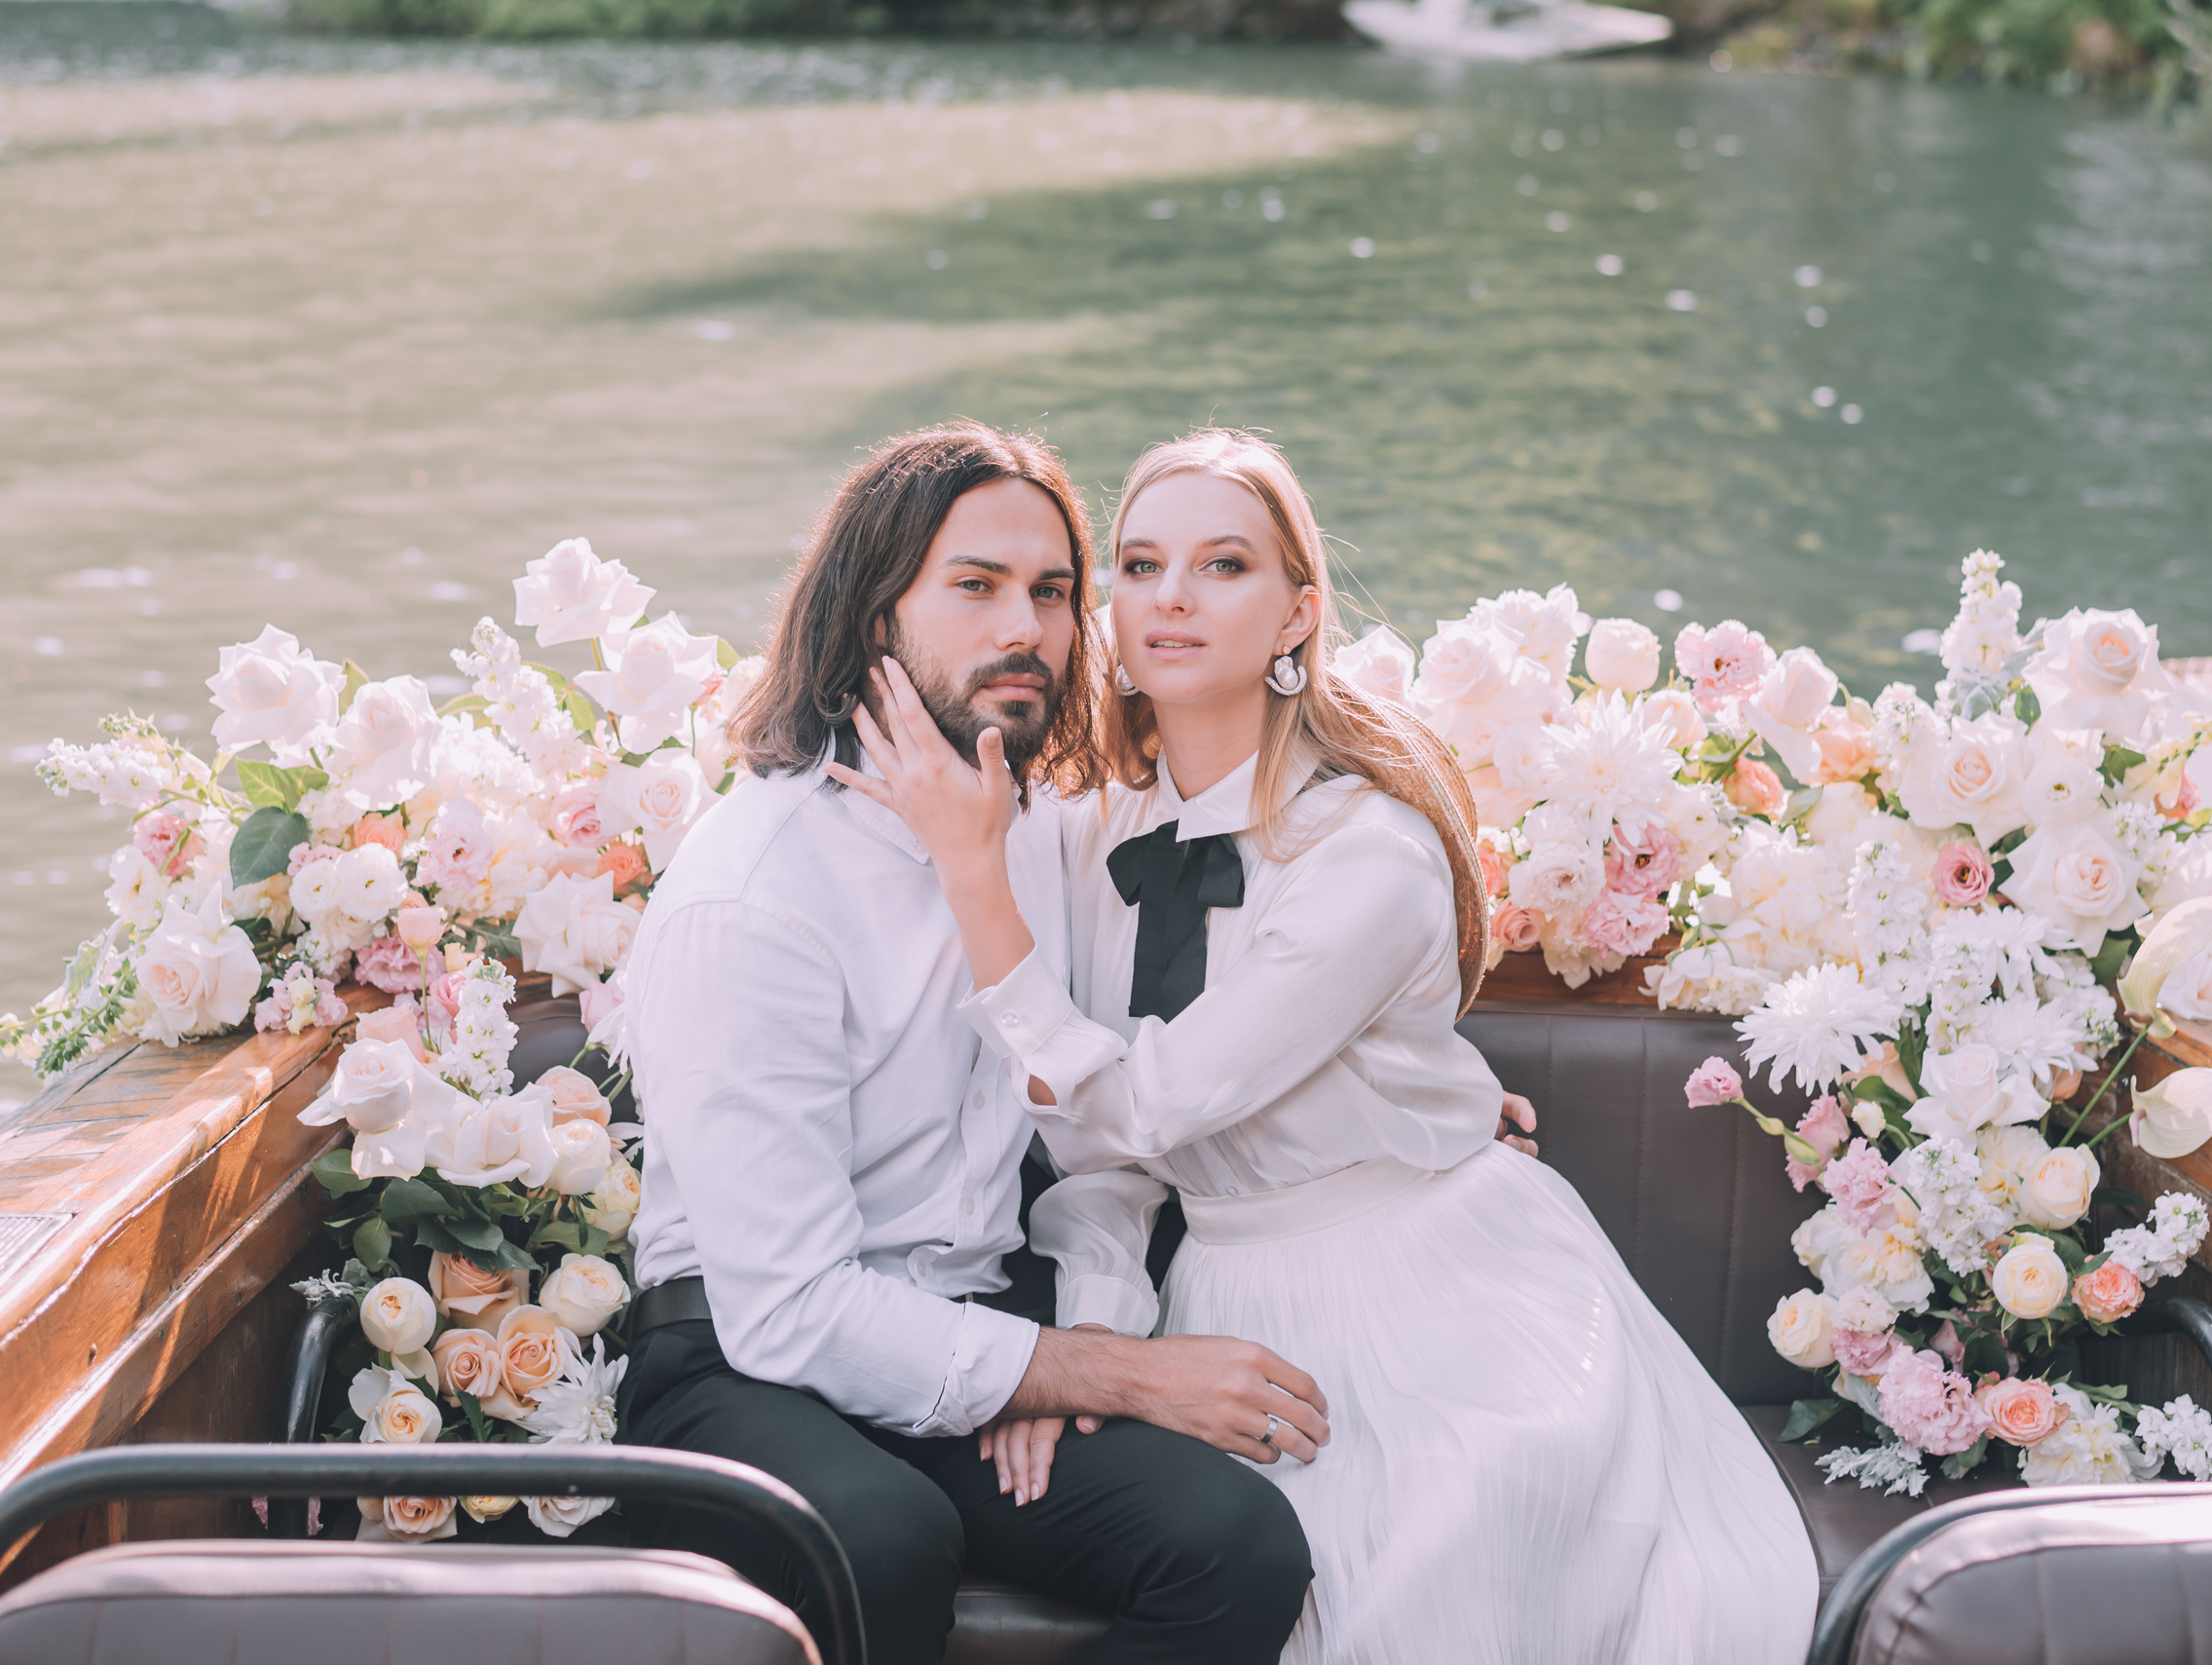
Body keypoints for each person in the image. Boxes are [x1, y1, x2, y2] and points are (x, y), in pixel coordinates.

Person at [831, 427, 1821, 1665]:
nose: (1171, 598)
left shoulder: (1368, 856)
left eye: (1223, 565)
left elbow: (1148, 1105)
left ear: (1298, 613)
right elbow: (1098, 1161)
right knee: (1248, 1569)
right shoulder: (1081, 831)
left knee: (1423, 1591)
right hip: (1229, 1288)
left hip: (1437, 1285)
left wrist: (972, 876)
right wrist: (1080, 1357)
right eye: (1137, 565)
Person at [620, 422, 1324, 1665]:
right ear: (873, 613)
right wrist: (1081, 1371)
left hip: (979, 1315)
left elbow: (1106, 1107)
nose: (1031, 627)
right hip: (740, 1363)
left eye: (1053, 591)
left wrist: (1407, 1094)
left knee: (1237, 1544)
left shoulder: (1045, 832)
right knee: (881, 1537)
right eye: (977, 586)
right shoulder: (753, 892)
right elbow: (787, 1306)